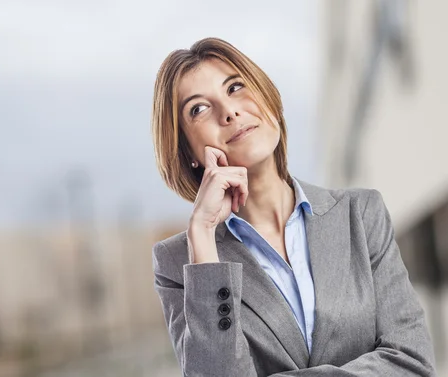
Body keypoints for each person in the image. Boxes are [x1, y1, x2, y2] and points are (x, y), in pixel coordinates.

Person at [150, 37, 436, 376]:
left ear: (268, 98)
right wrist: (202, 234)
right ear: (188, 153)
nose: (229, 112)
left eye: (236, 87)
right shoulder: (180, 262)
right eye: (198, 109)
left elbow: (413, 361)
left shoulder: (360, 214)